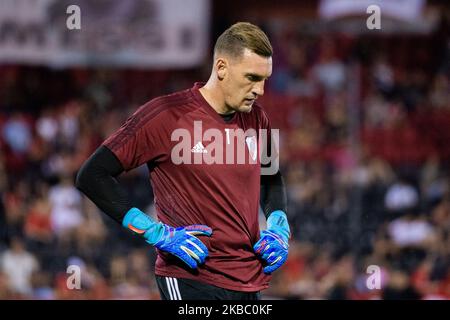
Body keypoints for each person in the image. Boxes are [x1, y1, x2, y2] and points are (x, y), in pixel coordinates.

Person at [76, 22, 290, 300]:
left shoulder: (257, 118)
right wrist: (155, 233)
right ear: (222, 68)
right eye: (251, 77)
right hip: (190, 277)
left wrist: (278, 225)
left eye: (264, 79)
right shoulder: (165, 115)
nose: (260, 90)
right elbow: (92, 175)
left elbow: (271, 177)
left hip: (247, 282)